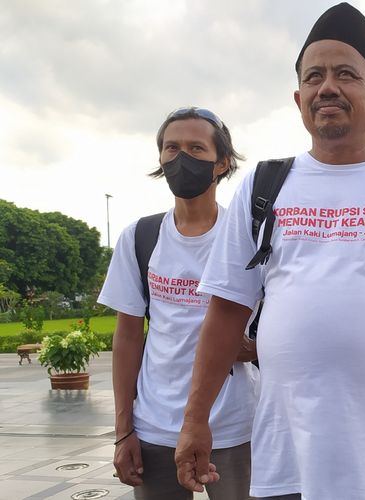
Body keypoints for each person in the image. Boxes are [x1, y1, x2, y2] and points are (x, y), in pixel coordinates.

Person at [174, 3, 365, 499]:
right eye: (314, 76)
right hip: (287, 455)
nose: (328, 87)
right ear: (298, 96)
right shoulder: (265, 185)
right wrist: (195, 420)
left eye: (346, 74)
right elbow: (226, 310)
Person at [98, 107, 258, 500]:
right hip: (155, 426)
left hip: (235, 427)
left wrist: (256, 348)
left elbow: (280, 321)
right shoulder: (140, 237)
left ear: (221, 163)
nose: (181, 159)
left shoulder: (248, 239)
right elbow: (128, 338)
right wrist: (124, 430)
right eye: (172, 148)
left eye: (195, 148)